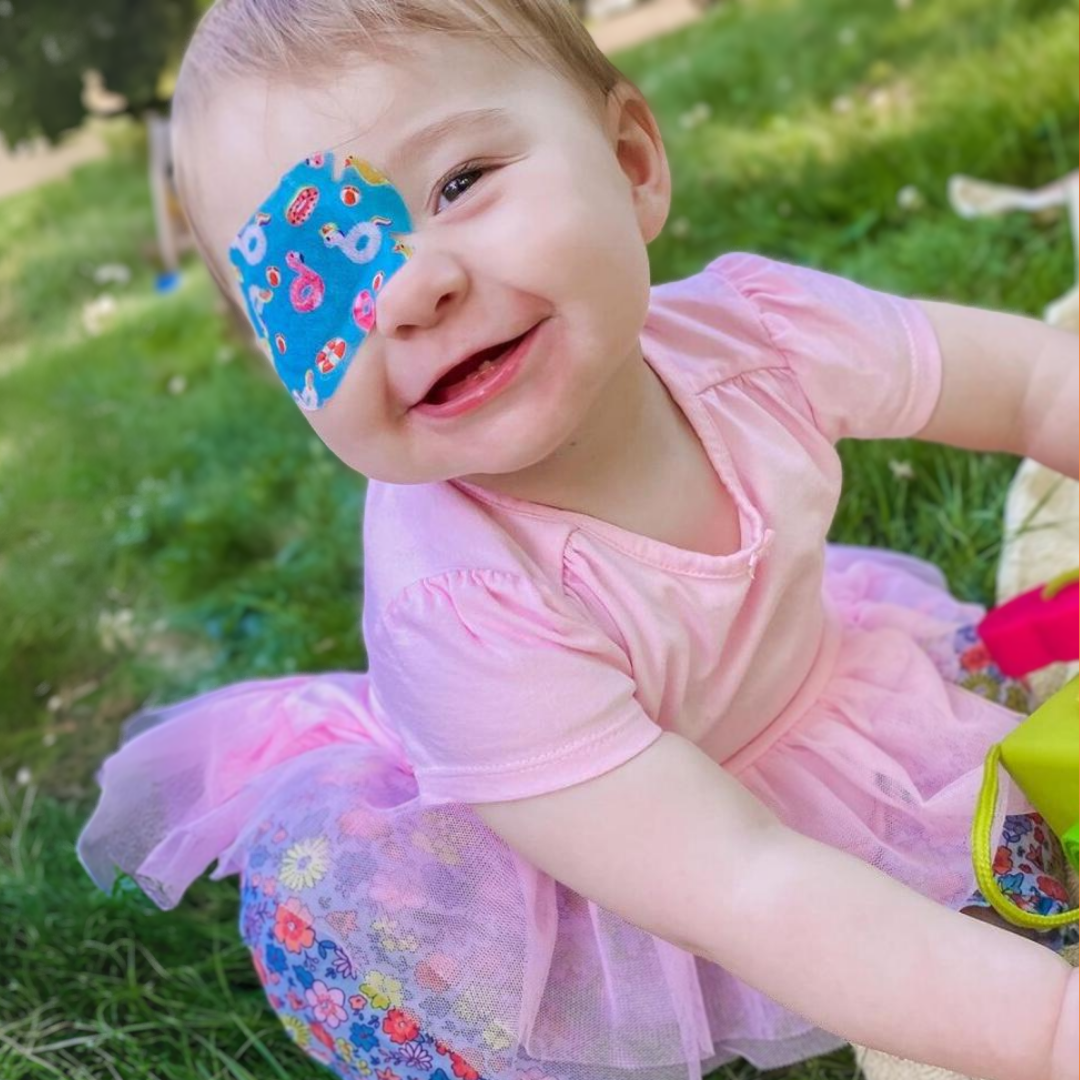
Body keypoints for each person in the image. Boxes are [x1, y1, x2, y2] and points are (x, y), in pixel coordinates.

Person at [77, 3, 1080, 1079]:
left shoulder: (763, 334)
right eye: (312, 275)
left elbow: (1032, 383)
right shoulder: (462, 614)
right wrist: (1052, 1030)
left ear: (631, 163)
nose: (410, 287)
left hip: (787, 686)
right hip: (605, 854)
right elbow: (747, 886)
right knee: (449, 1013)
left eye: (460, 182)